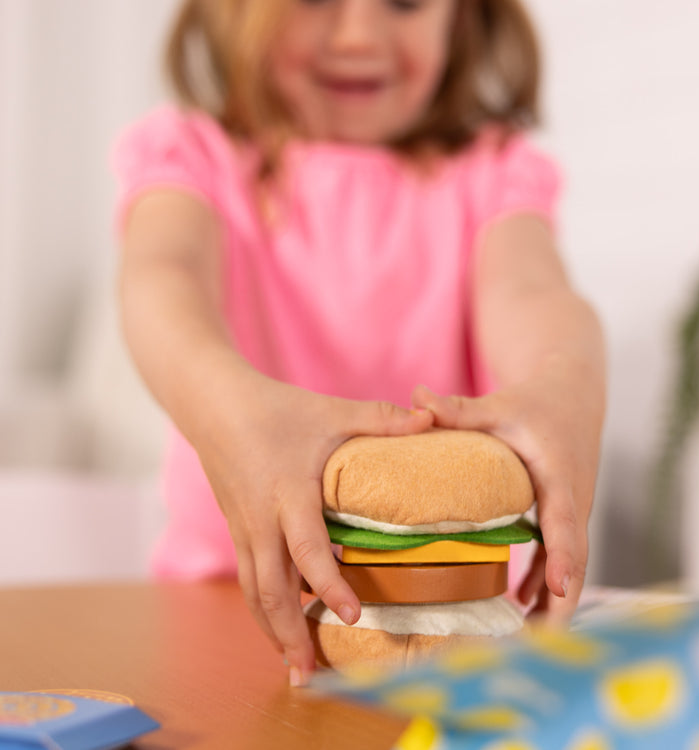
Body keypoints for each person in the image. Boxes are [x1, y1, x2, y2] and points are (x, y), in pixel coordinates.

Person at [113, 0, 606, 687]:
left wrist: (568, 374)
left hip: (456, 627)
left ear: (463, 17)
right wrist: (228, 407)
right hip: (224, 603)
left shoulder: (492, 174)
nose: (359, 35)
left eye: (406, 3)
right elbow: (161, 281)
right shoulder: (195, 158)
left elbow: (531, 292)